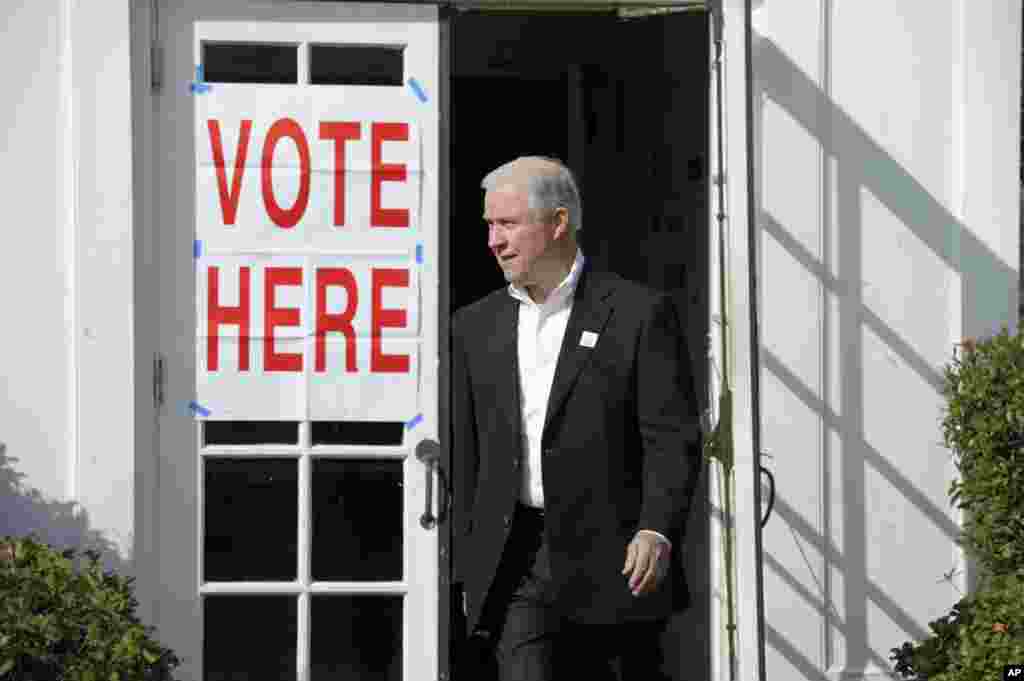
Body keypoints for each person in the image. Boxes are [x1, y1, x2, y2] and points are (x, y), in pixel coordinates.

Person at [451, 156, 703, 681]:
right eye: (489, 226)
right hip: (515, 559)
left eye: (507, 224)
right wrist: (462, 570)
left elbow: (670, 437)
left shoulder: (638, 313)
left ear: (558, 222)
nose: (493, 241)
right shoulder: (474, 327)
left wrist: (656, 528)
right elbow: (466, 453)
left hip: (615, 561)